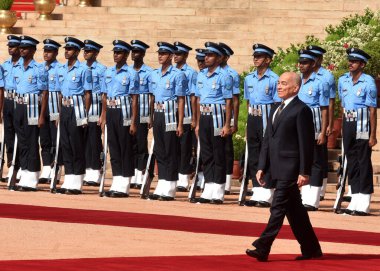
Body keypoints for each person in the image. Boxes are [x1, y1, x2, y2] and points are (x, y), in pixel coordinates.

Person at [246, 72, 322, 262]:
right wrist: (262, 165)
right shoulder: (274, 108)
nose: (279, 86)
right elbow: (267, 140)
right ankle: (312, 248)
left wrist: (305, 172)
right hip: (276, 168)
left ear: (295, 88)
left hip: (291, 168)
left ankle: (263, 247)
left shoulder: (301, 110)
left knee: (277, 208)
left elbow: (306, 144)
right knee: (295, 212)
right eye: (278, 83)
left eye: (284, 84)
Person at [337, 48, 377, 216]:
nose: (350, 63)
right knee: (351, 160)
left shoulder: (368, 82)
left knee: (363, 160)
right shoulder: (343, 80)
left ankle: (364, 200)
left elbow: (372, 110)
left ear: (362, 64)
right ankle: (355, 198)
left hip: (362, 124)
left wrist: (373, 135)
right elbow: (342, 105)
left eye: (354, 61)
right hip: (348, 123)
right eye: (350, 60)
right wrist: (341, 127)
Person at [193, 42, 233, 204]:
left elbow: (229, 102)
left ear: (218, 58)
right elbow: (197, 99)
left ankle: (218, 188)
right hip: (204, 115)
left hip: (218, 115)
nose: (206, 58)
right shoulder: (201, 75)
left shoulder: (224, 76)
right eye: (206, 55)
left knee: (218, 153)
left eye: (210, 56)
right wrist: (196, 123)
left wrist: (226, 124)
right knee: (206, 153)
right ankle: (208, 186)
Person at [243, 44, 280, 208]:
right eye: (255, 56)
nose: (256, 59)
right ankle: (257, 189)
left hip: (267, 117)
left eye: (260, 56)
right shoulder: (249, 78)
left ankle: (267, 191)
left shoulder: (274, 79)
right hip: (253, 117)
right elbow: (248, 102)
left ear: (268, 59)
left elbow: (277, 104)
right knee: (253, 154)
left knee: (267, 155)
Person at [148, 42, 186, 201]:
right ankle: (162, 183)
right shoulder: (154, 74)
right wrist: (150, 116)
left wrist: (180, 123)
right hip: (158, 113)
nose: (160, 56)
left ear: (171, 56)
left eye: (163, 54)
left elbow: (181, 100)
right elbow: (151, 96)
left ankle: (170, 186)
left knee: (170, 150)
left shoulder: (177, 74)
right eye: (159, 53)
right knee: (160, 150)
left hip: (171, 114)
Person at [101, 40, 138, 197]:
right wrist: (103, 116)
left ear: (127, 55)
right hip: (111, 110)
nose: (116, 55)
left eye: (120, 52)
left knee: (125, 148)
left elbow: (134, 99)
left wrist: (133, 121)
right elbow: (104, 95)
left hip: (124, 111)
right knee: (114, 147)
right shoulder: (108, 72)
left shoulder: (131, 73)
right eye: (115, 52)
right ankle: (116, 181)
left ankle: (124, 184)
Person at [55, 37, 92, 195]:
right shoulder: (61, 69)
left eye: (70, 49)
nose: (67, 52)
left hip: (77, 109)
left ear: (77, 52)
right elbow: (58, 93)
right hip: (64, 108)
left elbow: (88, 94)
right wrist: (58, 113)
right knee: (66, 144)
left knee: (76, 144)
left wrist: (84, 115)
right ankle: (69, 178)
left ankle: (77, 180)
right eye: (66, 49)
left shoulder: (84, 69)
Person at [12, 36, 48, 191]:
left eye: (25, 48)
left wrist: (41, 115)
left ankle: (32, 177)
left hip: (32, 106)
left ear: (33, 50)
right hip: (18, 106)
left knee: (32, 142)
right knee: (22, 142)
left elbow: (45, 92)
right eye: (21, 47)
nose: (22, 50)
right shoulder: (17, 67)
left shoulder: (39, 69)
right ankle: (25, 173)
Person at [297, 49, 329, 211]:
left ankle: (313, 198)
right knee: (302, 160)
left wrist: (323, 131)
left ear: (313, 64)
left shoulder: (320, 82)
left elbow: (324, 108)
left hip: (314, 126)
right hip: (298, 126)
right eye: (300, 63)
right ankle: (303, 194)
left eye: (305, 63)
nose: (301, 66)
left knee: (316, 161)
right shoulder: (297, 81)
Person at [308, 45, 336, 201]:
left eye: (315, 57)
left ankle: (321, 187)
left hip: (320, 117)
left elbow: (330, 102)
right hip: (307, 119)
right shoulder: (304, 74)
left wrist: (330, 124)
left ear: (320, 59)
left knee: (320, 155)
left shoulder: (327, 76)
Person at [173, 41, 197, 192]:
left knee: (185, 148)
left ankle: (183, 178)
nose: (176, 56)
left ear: (186, 55)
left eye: (179, 54)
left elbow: (194, 96)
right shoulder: (171, 71)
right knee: (172, 147)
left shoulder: (191, 72)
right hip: (171, 113)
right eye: (174, 53)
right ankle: (173, 176)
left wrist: (194, 117)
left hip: (187, 113)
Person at [82, 39, 107, 186]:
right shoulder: (80, 68)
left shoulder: (102, 70)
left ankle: (95, 171)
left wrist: (103, 114)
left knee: (94, 140)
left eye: (89, 51)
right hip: (83, 105)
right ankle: (86, 170)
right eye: (85, 51)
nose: (86, 53)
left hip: (96, 105)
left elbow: (105, 93)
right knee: (83, 139)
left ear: (96, 53)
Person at [129, 39, 153, 190]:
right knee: (130, 144)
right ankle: (132, 174)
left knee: (141, 143)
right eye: (132, 51)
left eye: (137, 51)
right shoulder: (129, 71)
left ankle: (141, 173)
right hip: (128, 112)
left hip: (143, 112)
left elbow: (152, 95)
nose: (134, 54)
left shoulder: (149, 72)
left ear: (143, 54)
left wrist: (151, 115)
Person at [39, 38, 62, 184]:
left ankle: (57, 168)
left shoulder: (60, 68)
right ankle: (46, 167)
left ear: (56, 53)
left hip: (55, 105)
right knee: (44, 139)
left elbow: (61, 92)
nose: (46, 54)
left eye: (49, 51)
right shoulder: (40, 68)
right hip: (42, 106)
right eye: (45, 51)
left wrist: (60, 112)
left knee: (55, 139)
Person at [219, 42, 240, 195]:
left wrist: (234, 121)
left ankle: (226, 182)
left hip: (226, 117)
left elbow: (235, 100)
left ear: (226, 57)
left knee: (226, 150)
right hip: (212, 116)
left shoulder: (231, 74)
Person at [1, 35, 22, 182]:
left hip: (19, 102)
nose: (10, 48)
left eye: (13, 46)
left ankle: (20, 167)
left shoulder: (24, 65)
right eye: (9, 46)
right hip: (8, 101)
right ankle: (11, 166)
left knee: (21, 135)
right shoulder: (4, 66)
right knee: (8, 136)